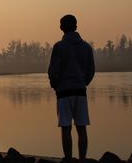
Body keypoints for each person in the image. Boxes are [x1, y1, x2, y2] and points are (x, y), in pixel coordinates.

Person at [48, 15, 95, 163]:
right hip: (80, 90)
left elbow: (53, 71)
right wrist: (83, 82)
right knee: (82, 128)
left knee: (66, 127)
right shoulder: (86, 47)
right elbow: (91, 70)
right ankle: (82, 159)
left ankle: (68, 159)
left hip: (63, 92)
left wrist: (56, 86)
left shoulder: (59, 47)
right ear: (76, 26)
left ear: (62, 27)